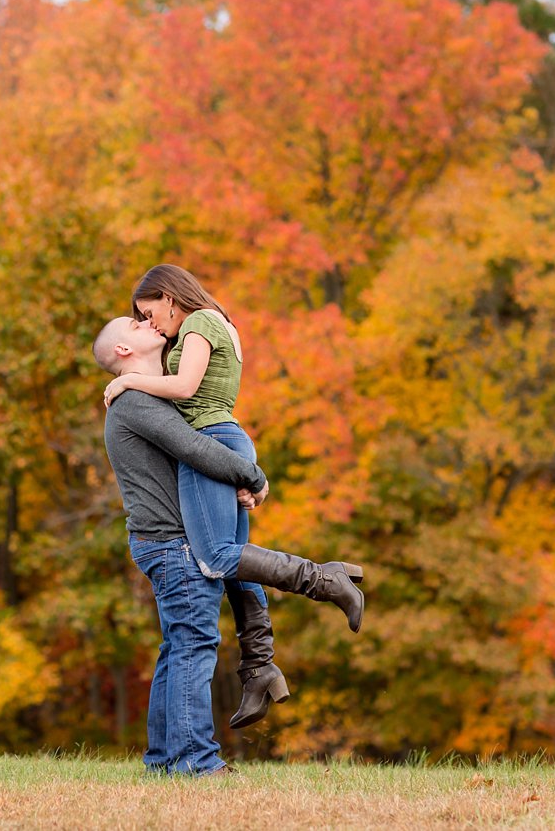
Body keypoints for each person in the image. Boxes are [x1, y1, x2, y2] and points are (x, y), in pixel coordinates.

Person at [94, 316, 365, 770]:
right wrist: (254, 476)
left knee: (178, 646)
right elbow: (195, 449)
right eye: (136, 323)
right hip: (174, 544)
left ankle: (164, 760)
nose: (147, 322)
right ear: (124, 350)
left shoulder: (140, 396)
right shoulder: (138, 400)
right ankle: (196, 762)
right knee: (193, 646)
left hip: (162, 542)